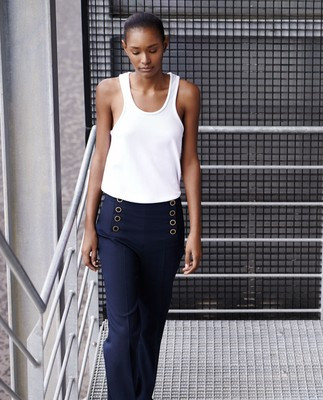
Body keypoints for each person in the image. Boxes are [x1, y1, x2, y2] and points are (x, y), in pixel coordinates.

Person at [81, 12, 202, 399]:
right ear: (124, 49)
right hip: (116, 223)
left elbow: (190, 162)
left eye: (152, 49)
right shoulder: (109, 92)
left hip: (166, 225)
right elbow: (100, 158)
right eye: (135, 51)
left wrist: (195, 232)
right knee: (122, 329)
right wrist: (88, 227)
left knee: (150, 328)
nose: (144, 59)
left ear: (165, 45)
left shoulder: (186, 93)